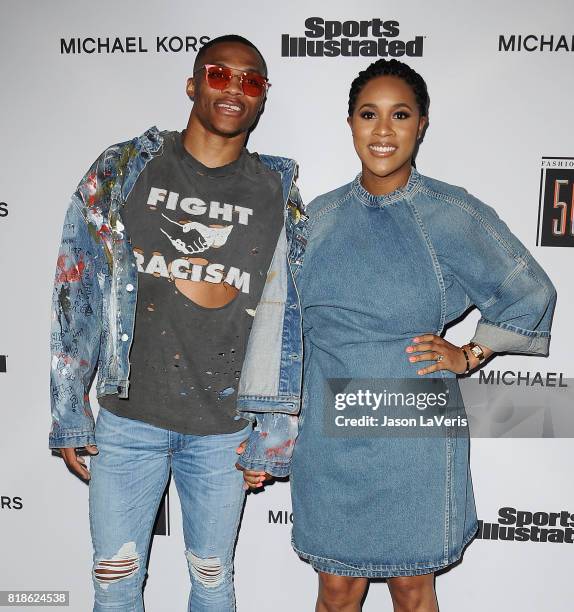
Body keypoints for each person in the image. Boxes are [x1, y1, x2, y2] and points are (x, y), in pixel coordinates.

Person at [236, 59, 557, 611]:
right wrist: (268, 429)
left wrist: (472, 352)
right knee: (337, 589)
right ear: (351, 123)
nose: (383, 131)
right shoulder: (315, 220)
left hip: (414, 431)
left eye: (400, 115)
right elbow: (278, 333)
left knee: (413, 587)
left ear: (422, 124)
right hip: (330, 436)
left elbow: (530, 290)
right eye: (369, 115)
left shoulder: (450, 214)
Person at [49, 34, 302, 612]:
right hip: (127, 423)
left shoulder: (277, 191)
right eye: (220, 74)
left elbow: (284, 320)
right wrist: (69, 409)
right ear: (192, 85)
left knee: (213, 585)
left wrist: (274, 433)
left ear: (262, 99)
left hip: (225, 433)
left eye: (252, 81)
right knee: (115, 585)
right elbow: (77, 287)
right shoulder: (125, 168)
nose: (235, 87)